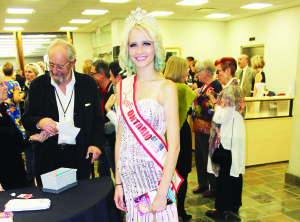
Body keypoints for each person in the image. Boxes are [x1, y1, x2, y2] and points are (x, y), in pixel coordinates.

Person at [114, 7, 183, 222]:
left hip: (156, 178)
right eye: (133, 44)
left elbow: (175, 145)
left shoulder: (167, 87)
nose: (139, 50)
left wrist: (162, 193)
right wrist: (118, 183)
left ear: (156, 47)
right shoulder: (122, 86)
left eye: (146, 43)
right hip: (130, 179)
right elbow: (120, 138)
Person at [21, 39, 104, 186]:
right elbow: (26, 118)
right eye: (51, 65)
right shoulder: (37, 86)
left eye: (60, 66)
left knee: (80, 201)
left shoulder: (88, 84)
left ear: (72, 63)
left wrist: (95, 144)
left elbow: (97, 119)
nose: (54, 70)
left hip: (80, 155)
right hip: (48, 157)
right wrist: (39, 122)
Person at [205, 57, 246, 219]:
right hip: (234, 135)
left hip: (228, 138)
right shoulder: (236, 87)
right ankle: (234, 203)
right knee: (233, 171)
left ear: (228, 70)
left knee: (225, 173)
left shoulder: (229, 90)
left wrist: (214, 102)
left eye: (219, 72)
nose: (217, 75)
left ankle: (221, 208)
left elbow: (223, 116)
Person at [164, 55, 196, 220]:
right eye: (185, 68)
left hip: (165, 134)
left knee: (167, 171)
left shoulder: (163, 86)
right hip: (181, 133)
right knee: (182, 172)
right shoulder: (183, 89)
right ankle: (180, 209)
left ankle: (167, 206)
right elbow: (191, 108)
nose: (187, 71)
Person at [0, 79, 48, 191]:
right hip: (4, 183)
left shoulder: (3, 114)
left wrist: (31, 139)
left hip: (17, 177)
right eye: (1, 84)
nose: (6, 87)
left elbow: (12, 147)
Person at [192, 59, 222, 198]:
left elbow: (212, 108)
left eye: (198, 71)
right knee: (199, 156)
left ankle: (214, 187)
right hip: (199, 126)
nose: (196, 74)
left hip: (208, 127)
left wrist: (199, 99)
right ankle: (203, 183)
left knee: (208, 157)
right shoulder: (203, 86)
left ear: (206, 71)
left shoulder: (215, 86)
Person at [91, 60, 116, 177]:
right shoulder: (95, 92)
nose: (91, 77)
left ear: (102, 74)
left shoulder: (113, 92)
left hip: (112, 138)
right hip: (101, 139)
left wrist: (101, 129)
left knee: (116, 171)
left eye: (93, 74)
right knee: (102, 170)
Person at [23, 63, 43, 187]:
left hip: (38, 129)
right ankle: (30, 179)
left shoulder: (39, 89)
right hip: (29, 127)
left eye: (30, 72)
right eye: (26, 72)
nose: (27, 74)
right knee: (28, 154)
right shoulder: (27, 87)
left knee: (33, 155)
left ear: (36, 74)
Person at [3, 62, 25, 135]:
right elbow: (16, 99)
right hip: (13, 110)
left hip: (3, 109)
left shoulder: (1, 83)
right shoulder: (14, 83)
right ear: (12, 72)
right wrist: (22, 94)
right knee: (15, 129)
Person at [105, 60, 127, 133]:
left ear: (118, 76)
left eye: (111, 75)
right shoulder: (117, 93)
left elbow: (122, 125)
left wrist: (108, 109)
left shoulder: (127, 96)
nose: (110, 79)